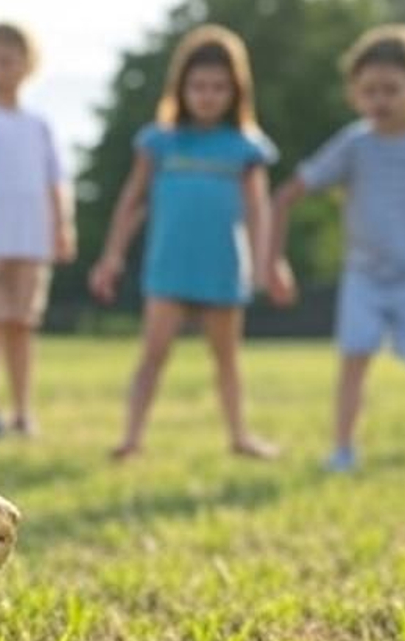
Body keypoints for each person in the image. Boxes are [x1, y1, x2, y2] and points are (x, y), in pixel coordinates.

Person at [266, 24, 405, 472]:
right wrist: (273, 259)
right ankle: (343, 448)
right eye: (369, 91)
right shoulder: (353, 145)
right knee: (354, 358)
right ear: (354, 94)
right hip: (365, 275)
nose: (380, 101)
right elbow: (287, 195)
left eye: (391, 89)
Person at [88, 24, 278, 462]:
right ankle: (132, 437)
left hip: (222, 265)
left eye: (218, 87)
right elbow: (132, 200)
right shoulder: (159, 141)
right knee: (153, 354)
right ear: (181, 88)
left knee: (226, 358)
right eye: (198, 86)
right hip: (169, 266)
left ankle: (240, 435)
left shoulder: (245, 148)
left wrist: (268, 260)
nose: (208, 95)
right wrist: (112, 255)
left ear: (236, 91)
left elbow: (258, 209)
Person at [0, 22, 74, 439]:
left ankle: (22, 410)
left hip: (32, 237)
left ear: (27, 65)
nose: (2, 68)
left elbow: (55, 179)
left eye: (10, 60)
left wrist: (62, 225)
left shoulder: (39, 124)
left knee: (22, 326)